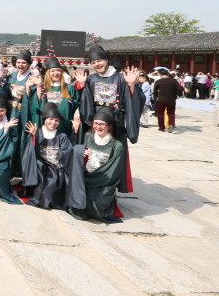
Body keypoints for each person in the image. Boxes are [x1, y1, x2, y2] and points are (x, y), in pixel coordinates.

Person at [79, 45, 142, 194]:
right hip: (97, 125)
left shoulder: (121, 78)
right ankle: (94, 186)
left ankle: (110, 190)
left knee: (114, 157)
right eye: (93, 62)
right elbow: (85, 102)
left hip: (115, 124)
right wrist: (82, 86)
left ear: (107, 60)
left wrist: (132, 86)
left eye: (99, 60)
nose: (97, 64)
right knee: (95, 156)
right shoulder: (92, 78)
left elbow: (134, 100)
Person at [21, 103, 85, 210]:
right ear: (45, 119)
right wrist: (33, 136)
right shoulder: (38, 132)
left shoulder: (62, 136)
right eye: (50, 119)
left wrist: (74, 131)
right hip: (40, 169)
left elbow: (69, 150)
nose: (53, 123)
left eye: (56, 120)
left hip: (56, 169)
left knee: (52, 190)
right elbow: (30, 153)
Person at [68, 108, 124, 223]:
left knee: (97, 199)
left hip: (103, 181)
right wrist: (75, 131)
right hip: (85, 178)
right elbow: (72, 150)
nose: (98, 127)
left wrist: (94, 181)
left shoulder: (117, 145)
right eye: (96, 123)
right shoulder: (87, 136)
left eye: (102, 124)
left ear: (109, 126)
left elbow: (114, 170)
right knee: (79, 194)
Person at [27, 57, 82, 137]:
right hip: (47, 124)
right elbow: (37, 104)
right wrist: (38, 86)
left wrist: (69, 104)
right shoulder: (44, 87)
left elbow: (77, 103)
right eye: (52, 71)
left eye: (58, 70)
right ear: (48, 73)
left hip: (63, 123)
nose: (56, 73)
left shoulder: (69, 88)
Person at [153, 68, 182, 133]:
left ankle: (161, 127)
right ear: (167, 74)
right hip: (171, 99)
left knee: (160, 114)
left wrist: (156, 97)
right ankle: (171, 124)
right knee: (171, 113)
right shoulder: (173, 81)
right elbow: (179, 89)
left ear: (160, 74)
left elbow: (155, 92)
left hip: (161, 99)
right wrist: (177, 95)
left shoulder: (158, 81)